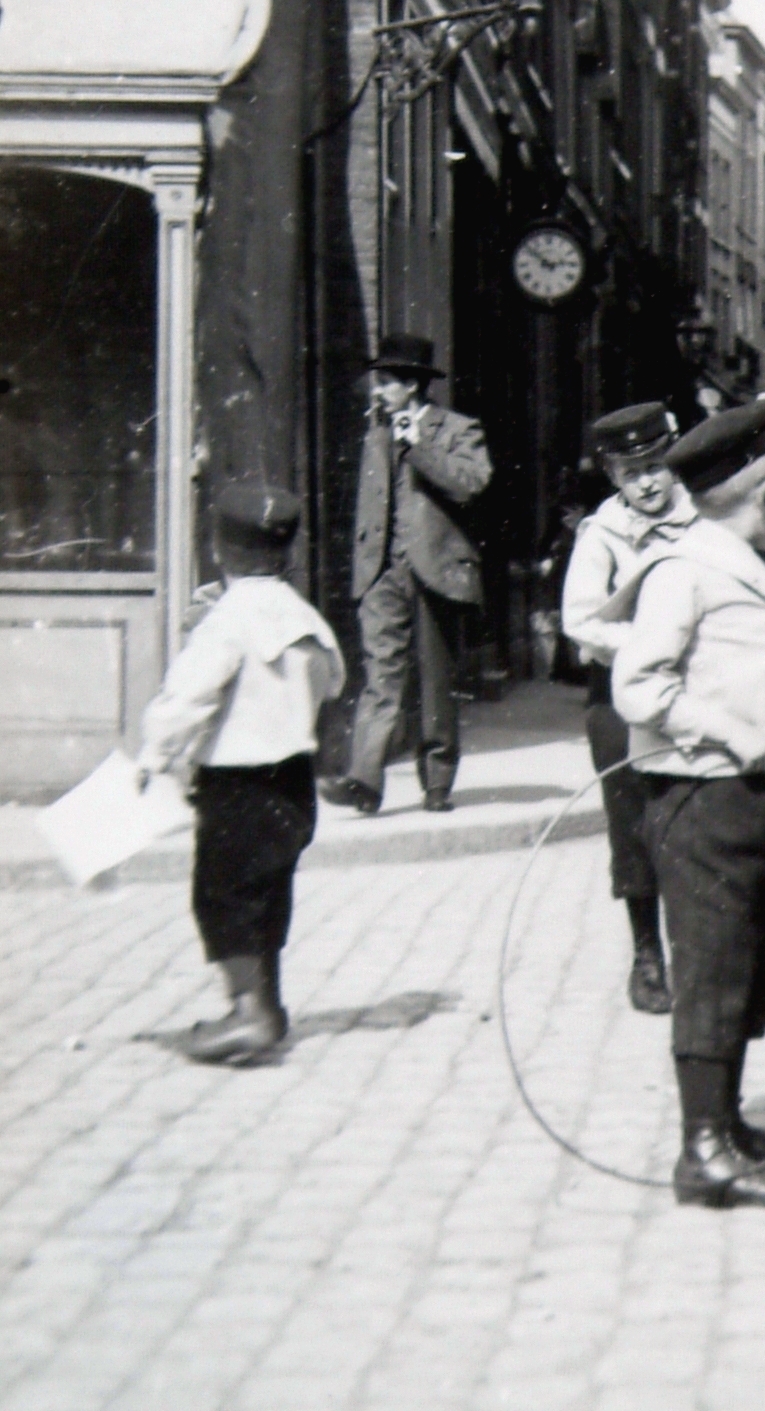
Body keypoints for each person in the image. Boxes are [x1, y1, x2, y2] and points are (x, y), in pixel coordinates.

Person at [614, 398, 765, 1210]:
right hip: (707, 796)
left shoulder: (761, 564)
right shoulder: (685, 570)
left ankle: (728, 1123)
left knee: (753, 958)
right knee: (711, 961)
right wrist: (728, 729)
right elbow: (638, 684)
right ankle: (701, 1149)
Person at [138, 483, 345, 1066]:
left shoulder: (225, 621)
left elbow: (188, 697)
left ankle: (248, 1013)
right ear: (287, 552)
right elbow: (334, 681)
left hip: (237, 785)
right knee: (269, 894)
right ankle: (269, 1006)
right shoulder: (305, 616)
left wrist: (155, 756)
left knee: (224, 897)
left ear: (218, 549)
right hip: (293, 782)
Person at [559, 401, 694, 1015]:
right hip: (621, 694)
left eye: (655, 467)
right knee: (634, 823)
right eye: (631, 473)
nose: (647, 484)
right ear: (613, 476)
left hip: (695, 688)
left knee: (695, 819)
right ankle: (646, 955)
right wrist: (650, 641)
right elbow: (581, 620)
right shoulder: (602, 535)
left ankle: (698, 948)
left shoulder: (702, 519)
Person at [328, 334, 491, 817]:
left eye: (386, 383)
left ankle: (437, 781)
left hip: (435, 571)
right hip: (382, 572)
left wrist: (416, 446)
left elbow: (471, 483)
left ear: (413, 385)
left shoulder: (459, 429)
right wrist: (364, 572)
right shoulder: (375, 437)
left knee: (434, 680)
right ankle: (364, 780)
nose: (378, 392)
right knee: (381, 677)